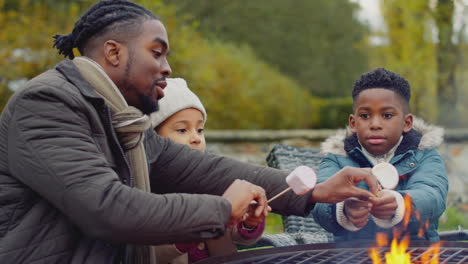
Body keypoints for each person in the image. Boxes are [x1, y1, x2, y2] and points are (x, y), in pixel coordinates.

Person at [0, 1, 380, 263]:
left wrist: (315, 189)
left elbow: (205, 171)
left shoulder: (120, 121)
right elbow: (108, 209)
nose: (166, 67)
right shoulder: (47, 102)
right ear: (114, 53)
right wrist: (222, 208)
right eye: (156, 52)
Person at [312, 68, 448, 243]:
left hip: (417, 254)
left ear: (407, 123)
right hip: (352, 256)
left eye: (387, 115)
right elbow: (319, 202)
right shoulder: (336, 159)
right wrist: (343, 209)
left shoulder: (425, 156)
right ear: (353, 123)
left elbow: (433, 195)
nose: (375, 124)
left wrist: (400, 203)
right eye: (365, 115)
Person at [151, 78, 266, 263]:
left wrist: (248, 223)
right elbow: (146, 253)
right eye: (182, 130)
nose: (196, 138)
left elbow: (237, 236)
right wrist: (192, 233)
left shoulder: (211, 183)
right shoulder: (148, 193)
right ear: (153, 139)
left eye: (200, 129)